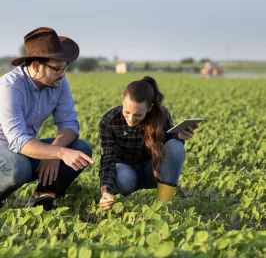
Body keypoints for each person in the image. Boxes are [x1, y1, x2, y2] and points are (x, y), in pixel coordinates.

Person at [0, 27, 93, 210]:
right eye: (57, 68)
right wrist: (58, 153)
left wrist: (54, 150)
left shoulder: (58, 82)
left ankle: (41, 201)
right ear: (35, 66)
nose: (63, 73)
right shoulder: (10, 87)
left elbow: (69, 124)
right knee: (18, 165)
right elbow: (18, 141)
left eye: (64, 67)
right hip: (5, 152)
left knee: (81, 147)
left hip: (22, 150)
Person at [99, 76, 197, 210]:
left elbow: (170, 147)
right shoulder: (109, 120)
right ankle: (123, 198)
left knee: (176, 145)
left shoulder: (161, 115)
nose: (131, 119)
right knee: (123, 177)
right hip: (125, 172)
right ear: (122, 100)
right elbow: (107, 159)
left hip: (151, 170)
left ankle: (163, 205)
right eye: (127, 112)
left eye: (138, 115)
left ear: (150, 107)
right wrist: (105, 191)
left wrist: (179, 136)